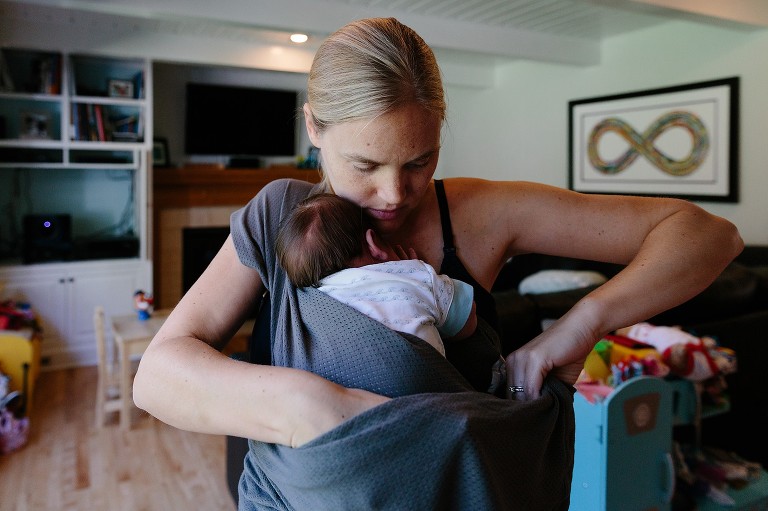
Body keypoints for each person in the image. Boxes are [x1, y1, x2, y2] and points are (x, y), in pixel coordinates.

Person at [134, 17, 743, 509]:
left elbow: (707, 235)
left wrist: (582, 323)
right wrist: (318, 408)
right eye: (365, 165)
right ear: (314, 126)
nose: (394, 194)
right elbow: (157, 377)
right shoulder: (281, 217)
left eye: (419, 161)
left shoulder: (480, 214)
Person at [276, 192, 479, 356]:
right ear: (374, 244)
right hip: (430, 385)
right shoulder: (412, 275)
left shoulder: (317, 301)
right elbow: (467, 322)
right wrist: (414, 270)